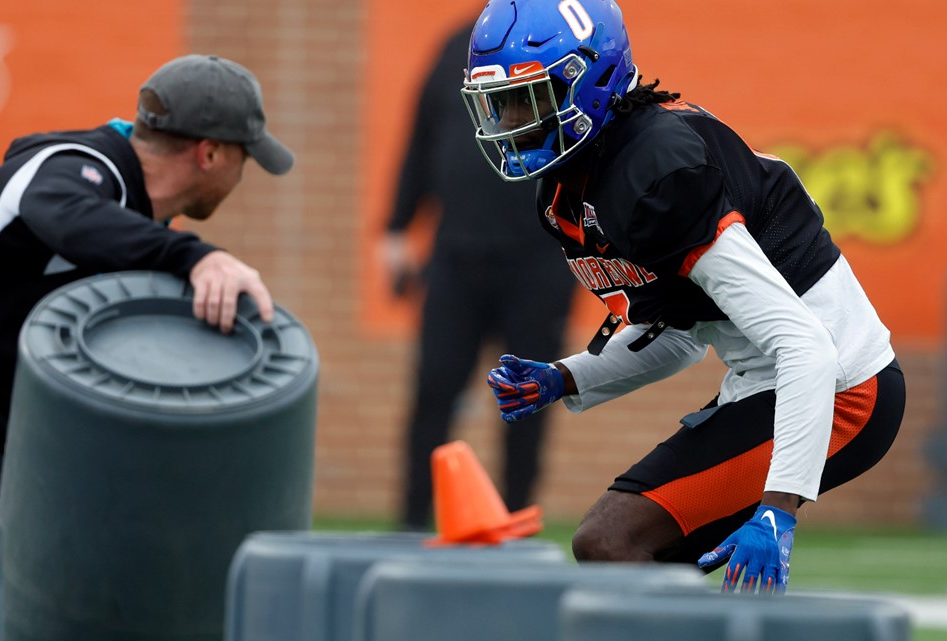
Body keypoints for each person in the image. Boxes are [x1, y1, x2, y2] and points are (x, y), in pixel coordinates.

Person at [466, 0, 904, 593]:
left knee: (611, 541)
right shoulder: (576, 188)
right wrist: (564, 378)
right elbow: (677, 339)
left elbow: (807, 345)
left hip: (844, 388)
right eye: (499, 104)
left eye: (526, 97)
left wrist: (779, 508)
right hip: (774, 380)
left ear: (587, 81)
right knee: (646, 558)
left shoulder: (654, 172)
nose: (511, 121)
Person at [0, 54, 293, 503]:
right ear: (209, 154)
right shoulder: (72, 169)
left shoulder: (132, 222)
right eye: (244, 158)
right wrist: (199, 258)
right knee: (59, 538)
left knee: (89, 520)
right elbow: (64, 213)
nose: (243, 175)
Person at [383, 22, 576, 530]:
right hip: (457, 257)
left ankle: (515, 519)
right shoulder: (459, 46)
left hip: (539, 258)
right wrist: (398, 228)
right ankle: (413, 522)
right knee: (433, 392)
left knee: (530, 397)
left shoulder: (562, 44)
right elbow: (422, 137)